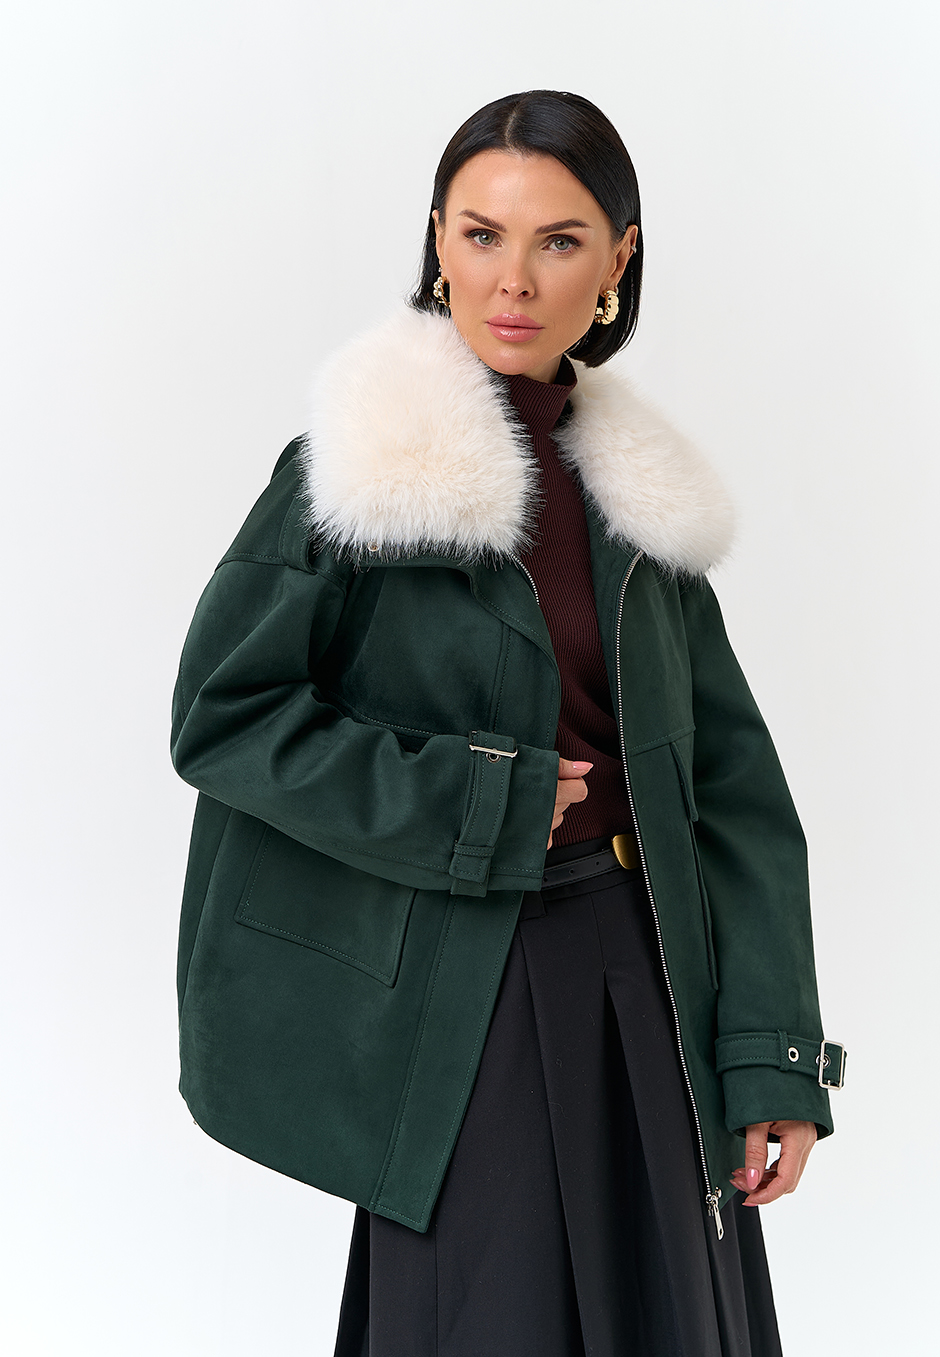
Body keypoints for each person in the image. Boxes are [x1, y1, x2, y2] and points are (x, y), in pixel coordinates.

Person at [171, 90, 845, 1357]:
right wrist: (470, 800)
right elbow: (224, 717)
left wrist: (770, 1055)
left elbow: (733, 793)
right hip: (457, 991)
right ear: (437, 239)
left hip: (646, 970)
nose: (513, 280)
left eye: (558, 241)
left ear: (617, 260)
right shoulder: (353, 474)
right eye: (480, 234)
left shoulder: (637, 499)